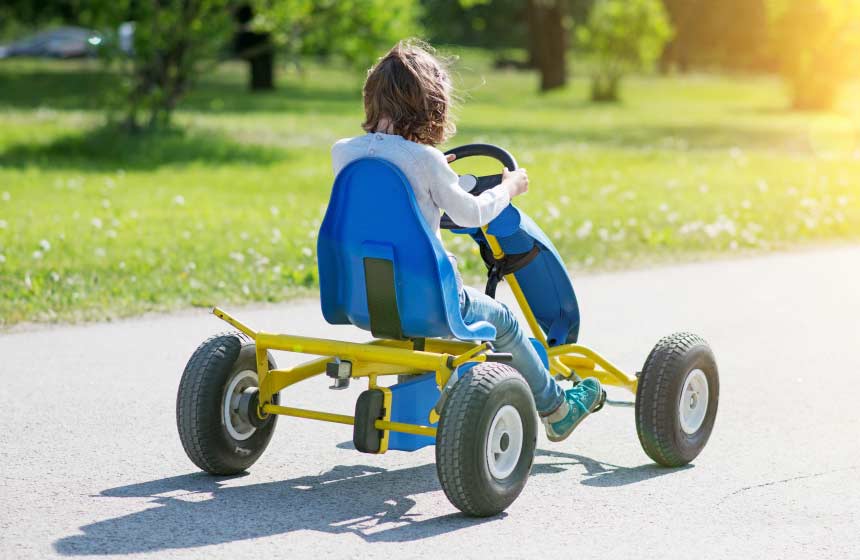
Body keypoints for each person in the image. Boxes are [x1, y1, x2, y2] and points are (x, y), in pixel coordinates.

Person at [331, 40, 602, 442]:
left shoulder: (343, 153)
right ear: (430, 103)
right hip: (430, 301)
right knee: (505, 323)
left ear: (372, 98)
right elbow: (469, 215)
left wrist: (438, 178)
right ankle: (557, 407)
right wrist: (509, 187)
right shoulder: (426, 161)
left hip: (361, 296)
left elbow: (390, 202)